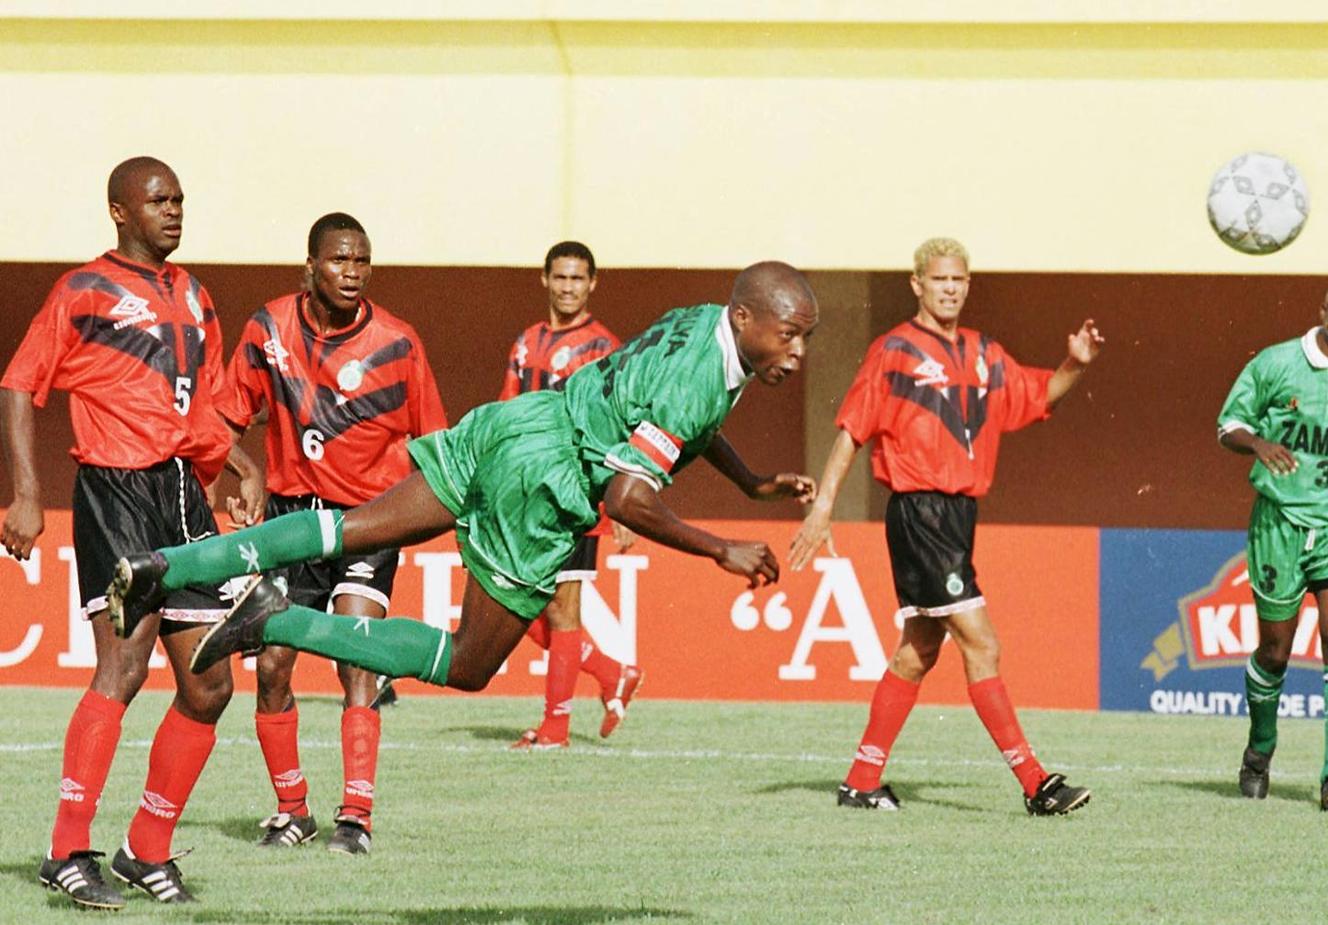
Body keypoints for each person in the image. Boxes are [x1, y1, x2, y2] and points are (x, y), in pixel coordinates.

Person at [107, 263, 819, 727]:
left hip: (519, 422)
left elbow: (679, 424)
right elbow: (631, 496)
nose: (798, 352)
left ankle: (168, 566)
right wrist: (720, 546)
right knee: (468, 663)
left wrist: (750, 480)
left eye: (807, 339)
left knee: (350, 529)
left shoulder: (704, 320)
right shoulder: (702, 378)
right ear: (749, 320)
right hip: (546, 479)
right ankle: (274, 621)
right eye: (790, 336)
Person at [0, 156, 263, 908]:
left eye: (179, 198)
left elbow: (203, 406)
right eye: (157, 200)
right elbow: (20, 382)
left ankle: (145, 849)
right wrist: (25, 493)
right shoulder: (82, 289)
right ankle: (64, 849)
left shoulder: (197, 295)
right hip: (115, 489)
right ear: (120, 211)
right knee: (124, 661)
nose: (173, 211)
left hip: (183, 493)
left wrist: (239, 463)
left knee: (211, 683)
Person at [790, 237, 1101, 816]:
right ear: (917, 284)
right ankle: (1036, 784)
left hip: (958, 516)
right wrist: (823, 506)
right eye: (939, 280)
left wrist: (1074, 366)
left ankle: (861, 780)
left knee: (918, 652)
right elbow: (852, 430)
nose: (950, 289)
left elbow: (1036, 396)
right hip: (920, 512)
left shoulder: (985, 353)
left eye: (959, 279)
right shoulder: (894, 350)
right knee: (982, 643)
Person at [217, 213, 448, 854]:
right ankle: (293, 810)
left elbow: (436, 445)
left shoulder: (398, 344)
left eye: (362, 261)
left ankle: (356, 816)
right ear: (310, 266)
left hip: (368, 521)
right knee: (272, 667)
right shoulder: (267, 328)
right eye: (340, 260)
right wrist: (243, 471)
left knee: (358, 658)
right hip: (293, 522)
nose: (353, 272)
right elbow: (222, 420)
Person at [499, 241, 642, 750]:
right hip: (528, 494)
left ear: (592, 284)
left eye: (577, 279)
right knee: (517, 607)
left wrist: (621, 497)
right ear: (545, 279)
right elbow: (508, 413)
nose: (567, 287)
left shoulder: (604, 348)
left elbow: (622, 424)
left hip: (577, 493)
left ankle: (555, 729)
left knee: (562, 611)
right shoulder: (526, 342)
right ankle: (609, 672)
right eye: (559, 277)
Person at [1217, 290, 1328, 809]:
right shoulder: (1276, 363)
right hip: (1279, 524)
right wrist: (1258, 443)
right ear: (1323, 313)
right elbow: (1229, 426)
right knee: (1275, 652)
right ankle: (1259, 751)